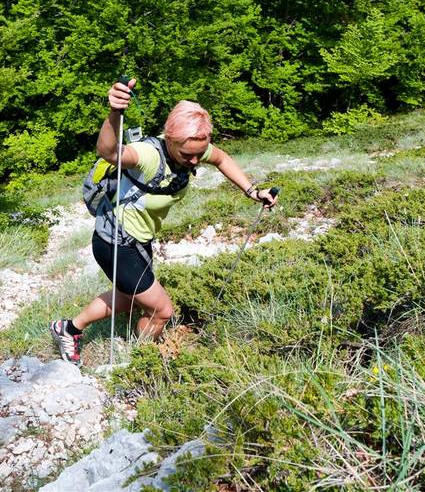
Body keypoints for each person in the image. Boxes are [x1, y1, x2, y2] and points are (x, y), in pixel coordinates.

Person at [51, 78, 278, 365]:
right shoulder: (148, 156)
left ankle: (68, 329)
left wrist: (252, 192)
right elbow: (110, 152)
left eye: (199, 153)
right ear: (170, 140)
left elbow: (221, 159)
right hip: (116, 243)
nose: (195, 161)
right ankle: (140, 364)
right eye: (188, 155)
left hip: (140, 240)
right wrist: (114, 112)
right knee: (161, 311)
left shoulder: (194, 149)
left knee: (128, 299)